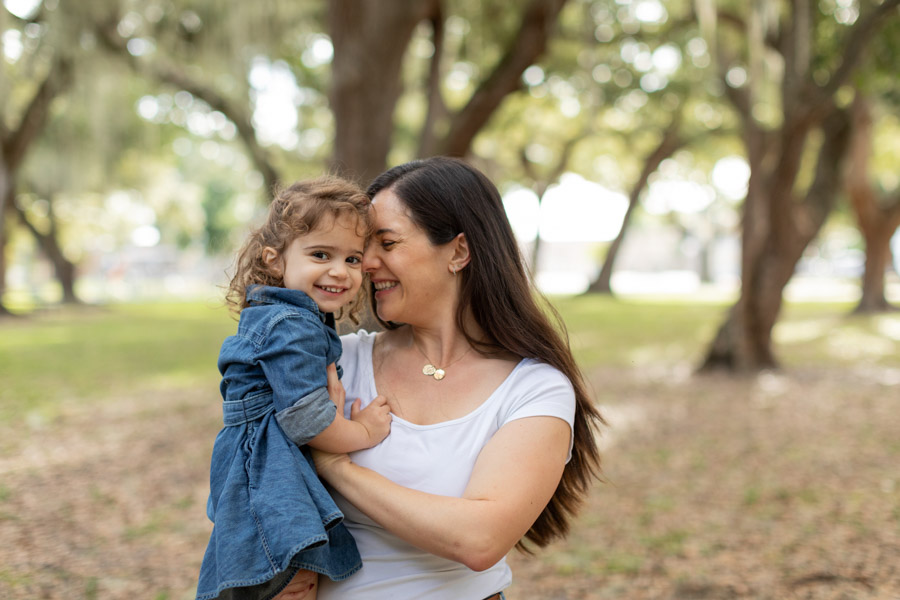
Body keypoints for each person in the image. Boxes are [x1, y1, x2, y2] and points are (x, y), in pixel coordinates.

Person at [310, 157, 605, 599]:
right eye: (365, 246)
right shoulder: (337, 361)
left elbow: (479, 539)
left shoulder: (533, 389)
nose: (366, 262)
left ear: (459, 251)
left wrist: (336, 466)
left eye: (386, 243)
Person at [196, 177, 392, 600]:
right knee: (287, 581)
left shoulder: (288, 315)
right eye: (321, 254)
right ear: (275, 259)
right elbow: (306, 419)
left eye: (353, 259)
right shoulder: (292, 325)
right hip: (269, 469)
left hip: (266, 463)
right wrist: (363, 432)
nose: (339, 271)